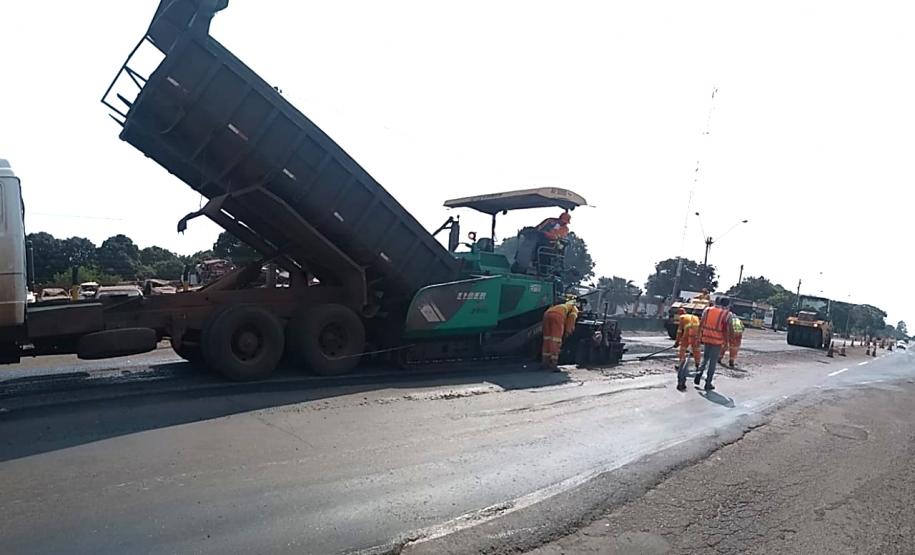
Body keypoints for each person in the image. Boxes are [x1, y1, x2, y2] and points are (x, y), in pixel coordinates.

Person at [694, 296, 731, 391]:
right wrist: (726, 343)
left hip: (706, 338)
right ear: (727, 305)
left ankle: (699, 373)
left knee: (705, 358)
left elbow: (701, 323)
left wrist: (698, 336)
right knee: (712, 363)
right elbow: (726, 330)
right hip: (717, 341)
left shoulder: (707, 310)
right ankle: (708, 383)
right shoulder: (726, 314)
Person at [541, 299, 580, 370]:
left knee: (547, 339)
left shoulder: (561, 306)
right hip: (558, 316)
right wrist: (567, 332)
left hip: (547, 314)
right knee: (556, 340)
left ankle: (545, 363)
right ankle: (554, 364)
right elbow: (571, 322)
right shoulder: (574, 310)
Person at [674, 308, 701, 390]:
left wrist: (677, 342)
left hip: (688, 331)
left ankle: (681, 364)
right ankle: (697, 364)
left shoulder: (682, 317)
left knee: (683, 348)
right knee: (696, 349)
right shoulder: (694, 316)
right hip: (697, 332)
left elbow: (679, 331)